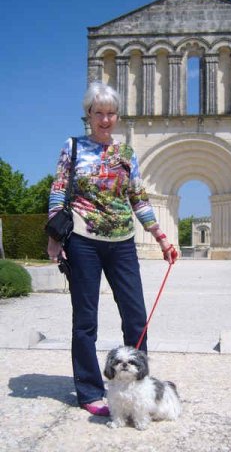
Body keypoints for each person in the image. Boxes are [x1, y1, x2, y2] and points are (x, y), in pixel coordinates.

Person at [47, 82, 177, 416]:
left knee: (136, 316)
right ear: (88, 114)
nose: (105, 120)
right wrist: (54, 236)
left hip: (121, 243)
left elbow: (138, 198)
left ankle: (137, 385)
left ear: (117, 116)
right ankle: (90, 390)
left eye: (110, 113)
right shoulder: (73, 146)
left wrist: (161, 236)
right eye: (98, 113)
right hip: (82, 241)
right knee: (85, 319)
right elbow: (59, 190)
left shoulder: (126, 154)